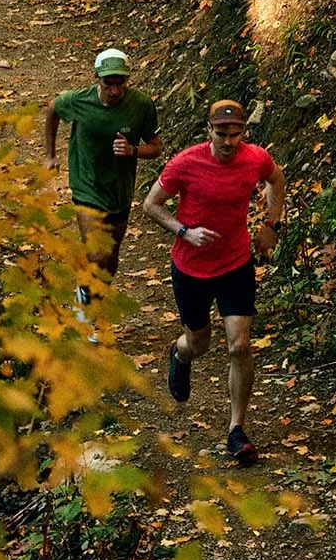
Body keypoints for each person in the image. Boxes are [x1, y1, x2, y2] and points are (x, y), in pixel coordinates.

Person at [143, 99, 285, 466]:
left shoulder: (255, 158)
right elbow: (151, 205)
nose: (228, 141)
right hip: (190, 267)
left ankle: (237, 430)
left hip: (236, 263)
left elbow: (276, 180)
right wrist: (184, 231)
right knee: (199, 342)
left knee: (239, 345)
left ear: (243, 132)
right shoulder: (185, 163)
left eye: (234, 133)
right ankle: (180, 353)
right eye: (221, 133)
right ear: (209, 131)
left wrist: (270, 225)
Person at [43, 49, 161, 296]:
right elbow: (53, 109)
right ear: (98, 78)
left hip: (119, 191)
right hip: (87, 187)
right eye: (109, 83)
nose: (115, 90)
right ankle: (85, 313)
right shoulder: (79, 101)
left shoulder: (141, 105)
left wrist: (132, 150)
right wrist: (50, 154)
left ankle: (96, 301)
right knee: (97, 254)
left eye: (121, 83)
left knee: (110, 259)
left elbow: (155, 148)